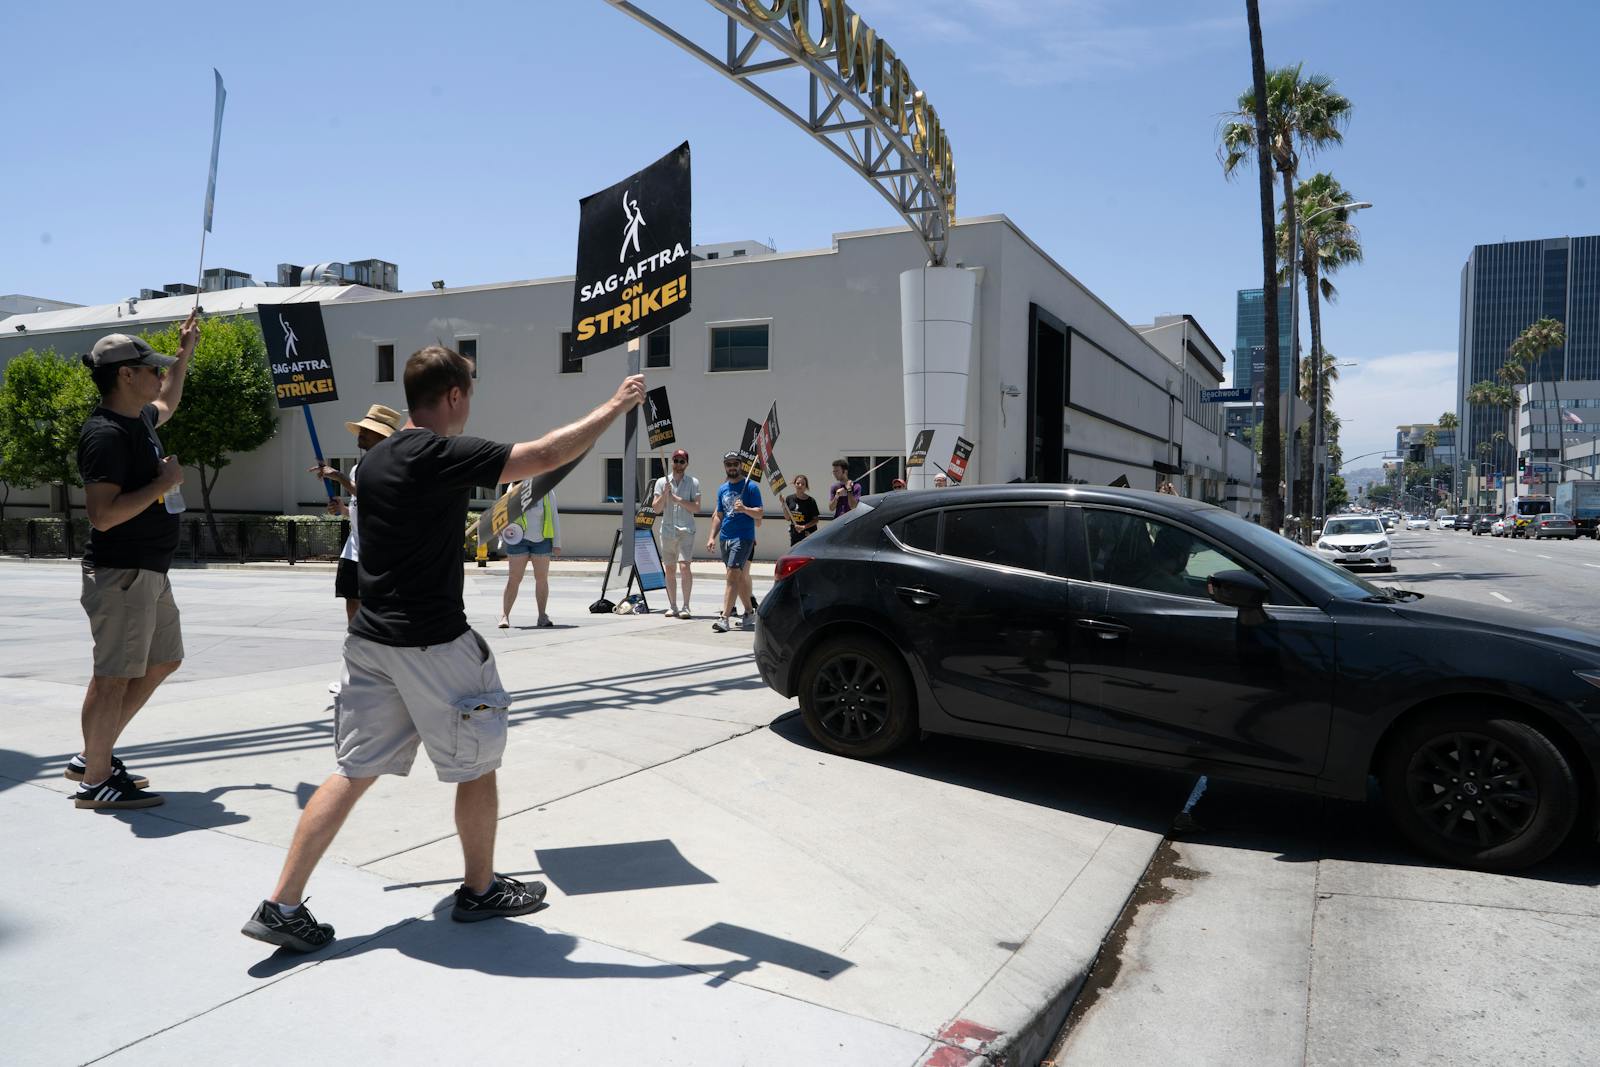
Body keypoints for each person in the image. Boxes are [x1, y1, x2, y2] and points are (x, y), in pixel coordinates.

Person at [242, 346, 644, 954]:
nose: (470, 406)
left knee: (352, 771)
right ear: (453, 396)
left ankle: (281, 904)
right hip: (432, 643)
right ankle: (480, 891)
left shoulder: (373, 464)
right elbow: (542, 455)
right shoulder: (438, 453)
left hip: (370, 641)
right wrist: (616, 404)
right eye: (470, 394)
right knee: (476, 764)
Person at [67, 310, 198, 810]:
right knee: (113, 675)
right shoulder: (105, 435)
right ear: (125, 375)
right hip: (122, 572)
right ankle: (95, 780)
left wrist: (183, 355)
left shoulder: (138, 418)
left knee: (165, 659)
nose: (158, 376)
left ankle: (91, 756)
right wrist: (163, 485)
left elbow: (168, 400)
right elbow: (102, 516)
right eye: (151, 368)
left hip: (149, 571)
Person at [309, 404, 403, 626]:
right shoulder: (358, 469)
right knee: (351, 599)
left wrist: (340, 477)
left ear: (381, 436)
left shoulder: (394, 468)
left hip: (380, 553)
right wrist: (342, 510)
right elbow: (362, 505)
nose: (360, 433)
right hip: (354, 550)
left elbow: (376, 497)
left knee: (380, 605)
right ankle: (356, 638)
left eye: (366, 430)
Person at [708, 451, 763, 634]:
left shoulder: (751, 487)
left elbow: (759, 513)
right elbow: (719, 515)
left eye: (735, 464)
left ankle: (724, 618)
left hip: (743, 537)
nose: (732, 467)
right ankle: (749, 612)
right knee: (736, 578)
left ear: (741, 465)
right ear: (725, 466)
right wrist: (711, 536)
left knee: (732, 576)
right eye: (728, 464)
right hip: (725, 537)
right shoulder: (722, 489)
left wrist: (745, 508)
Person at [650, 447, 701, 619]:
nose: (678, 464)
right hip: (668, 530)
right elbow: (656, 509)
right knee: (669, 568)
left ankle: (686, 606)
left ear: (686, 464)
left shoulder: (693, 482)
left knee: (685, 567)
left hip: (686, 530)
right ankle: (673, 605)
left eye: (682, 461)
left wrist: (678, 499)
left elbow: (696, 507)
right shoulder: (661, 482)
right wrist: (665, 494)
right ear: (671, 462)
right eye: (676, 460)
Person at [498, 489, 560, 628]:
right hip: (517, 539)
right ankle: (504, 616)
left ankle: (542, 616)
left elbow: (554, 516)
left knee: (542, 579)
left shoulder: (547, 490)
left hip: (542, 540)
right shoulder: (513, 488)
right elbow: (502, 513)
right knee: (514, 578)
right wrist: (502, 537)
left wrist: (557, 543)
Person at [784, 475, 821, 545]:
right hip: (795, 535)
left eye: (803, 484)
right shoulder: (789, 498)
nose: (800, 485)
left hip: (808, 535)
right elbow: (787, 518)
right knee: (795, 555)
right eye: (798, 483)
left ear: (806, 486)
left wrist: (803, 527)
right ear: (794, 484)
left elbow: (816, 520)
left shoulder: (811, 501)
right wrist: (783, 505)